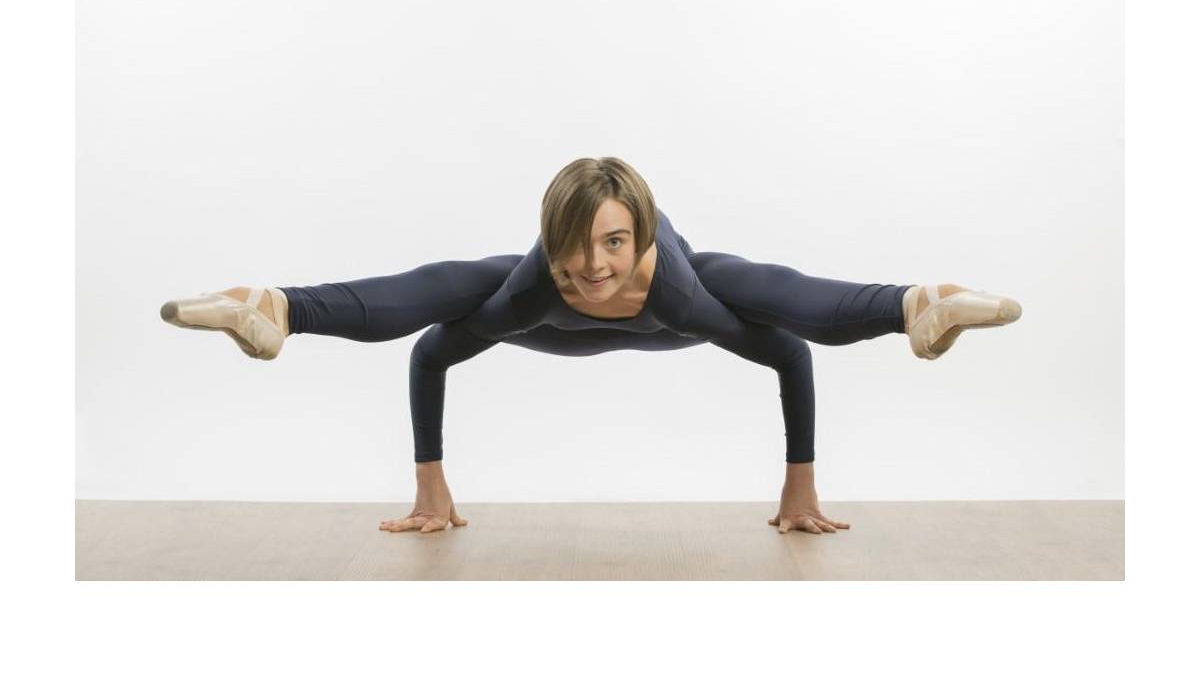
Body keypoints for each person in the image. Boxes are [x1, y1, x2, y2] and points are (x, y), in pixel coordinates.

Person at [160, 155, 1022, 537]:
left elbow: (789, 350)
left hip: (677, 310)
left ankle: (918, 305)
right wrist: (431, 488)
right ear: (552, 241)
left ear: (640, 237)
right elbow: (430, 347)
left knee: (762, 286)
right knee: (450, 281)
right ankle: (274, 308)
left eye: (615, 243)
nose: (595, 265)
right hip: (549, 329)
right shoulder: (536, 285)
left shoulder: (680, 290)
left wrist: (799, 489)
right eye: (575, 247)